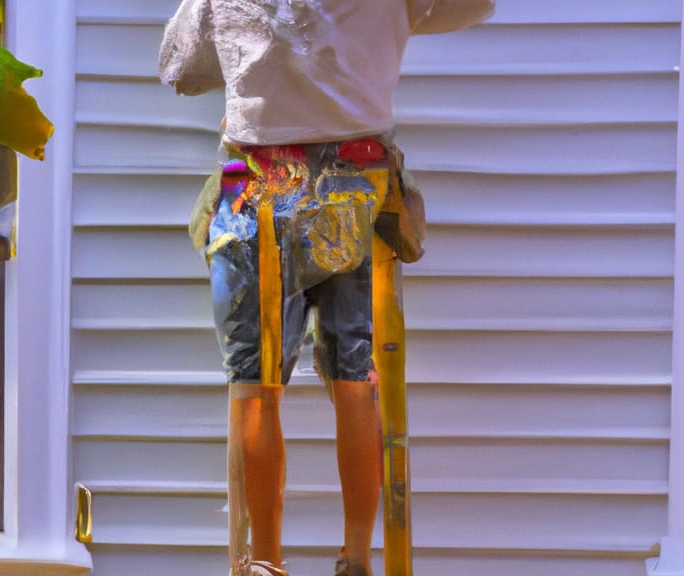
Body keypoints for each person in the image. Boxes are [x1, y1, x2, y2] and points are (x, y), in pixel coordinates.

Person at [159, 2, 495, 575]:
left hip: (260, 184)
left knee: (255, 387)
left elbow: (179, 69)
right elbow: (470, 8)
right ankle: (358, 559)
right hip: (358, 184)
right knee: (355, 376)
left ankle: (263, 561)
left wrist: (268, 57)